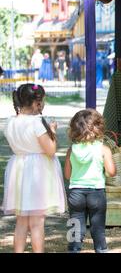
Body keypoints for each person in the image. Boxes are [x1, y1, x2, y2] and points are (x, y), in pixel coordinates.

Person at [2, 83, 66, 252]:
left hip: (18, 169)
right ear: (37, 103)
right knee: (37, 222)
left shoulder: (10, 122)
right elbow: (50, 151)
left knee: (21, 221)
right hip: (37, 172)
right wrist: (52, 132)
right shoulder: (37, 123)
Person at [64, 109, 116, 253]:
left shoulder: (71, 150)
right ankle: (101, 249)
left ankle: (74, 249)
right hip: (97, 193)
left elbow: (67, 175)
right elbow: (111, 172)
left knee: (75, 224)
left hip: (76, 193)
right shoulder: (103, 149)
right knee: (98, 228)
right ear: (98, 127)